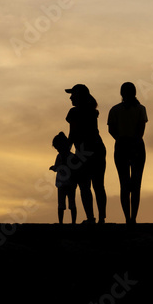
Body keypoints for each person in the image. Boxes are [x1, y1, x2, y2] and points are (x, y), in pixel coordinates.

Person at [64, 84, 107, 224]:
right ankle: (100, 219)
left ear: (79, 96)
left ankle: (92, 219)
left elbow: (72, 134)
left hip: (86, 152)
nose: (70, 97)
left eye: (73, 94)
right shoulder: (92, 111)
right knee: (98, 185)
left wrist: (66, 153)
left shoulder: (74, 113)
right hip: (96, 149)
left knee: (85, 186)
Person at [107, 82, 147, 226]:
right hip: (137, 146)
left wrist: (120, 139)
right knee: (135, 185)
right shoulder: (141, 109)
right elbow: (141, 131)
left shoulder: (115, 110)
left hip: (122, 146)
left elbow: (111, 129)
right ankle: (133, 218)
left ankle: (128, 218)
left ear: (121, 93)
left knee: (124, 185)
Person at [50, 132, 78, 224]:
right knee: (67, 203)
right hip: (66, 184)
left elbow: (58, 167)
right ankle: (66, 222)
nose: (57, 150)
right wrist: (54, 168)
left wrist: (54, 168)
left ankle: (65, 222)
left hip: (65, 184)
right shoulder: (70, 156)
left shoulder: (69, 157)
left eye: (58, 148)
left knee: (66, 203)